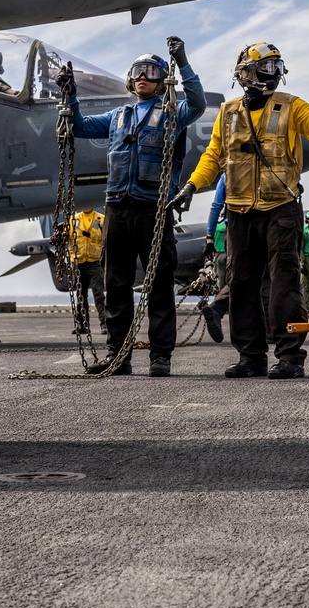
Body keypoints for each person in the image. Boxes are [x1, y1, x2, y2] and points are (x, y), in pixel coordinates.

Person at [173, 42, 309, 378]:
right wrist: (190, 186)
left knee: (284, 282)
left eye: (277, 68)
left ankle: (290, 357)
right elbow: (213, 157)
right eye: (267, 67)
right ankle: (251, 357)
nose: (274, 75)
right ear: (246, 71)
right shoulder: (228, 112)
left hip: (282, 208)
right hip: (240, 211)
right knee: (242, 283)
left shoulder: (292, 106)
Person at [60, 39, 206, 376]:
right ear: (130, 78)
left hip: (153, 210)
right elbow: (79, 126)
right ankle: (118, 355)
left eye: (151, 72)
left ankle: (160, 357)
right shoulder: (117, 116)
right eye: (138, 71)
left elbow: (197, 103)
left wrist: (182, 62)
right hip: (118, 207)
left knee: (158, 283)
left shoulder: (172, 113)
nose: (143, 76)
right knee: (117, 283)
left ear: (162, 79)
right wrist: (70, 96)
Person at [202, 175, 228, 344]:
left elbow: (216, 206)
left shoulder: (227, 173)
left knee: (233, 281)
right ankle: (269, 329)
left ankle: (217, 308)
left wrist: (209, 237)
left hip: (228, 245)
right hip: (260, 227)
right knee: (265, 278)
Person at [70, 206, 105, 330]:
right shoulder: (73, 220)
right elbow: (66, 237)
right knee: (80, 295)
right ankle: (82, 325)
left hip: (94, 262)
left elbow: (105, 239)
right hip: (78, 262)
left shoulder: (101, 220)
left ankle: (104, 325)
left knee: (99, 294)